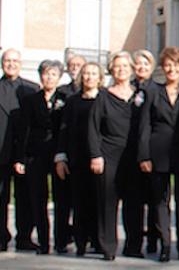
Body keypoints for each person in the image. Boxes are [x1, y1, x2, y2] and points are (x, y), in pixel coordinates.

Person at [137, 47, 179, 262]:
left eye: (175, 65)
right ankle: (165, 245)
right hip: (157, 152)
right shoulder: (153, 92)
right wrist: (144, 156)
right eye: (167, 65)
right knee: (160, 201)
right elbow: (145, 127)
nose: (171, 69)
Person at [87, 51, 137, 261]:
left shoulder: (139, 94)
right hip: (109, 154)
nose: (121, 70)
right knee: (108, 202)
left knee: (133, 202)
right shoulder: (103, 96)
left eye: (125, 66)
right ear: (111, 70)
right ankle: (108, 246)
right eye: (117, 66)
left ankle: (133, 245)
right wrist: (95, 155)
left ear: (131, 69)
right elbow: (93, 128)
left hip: (134, 155)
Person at [13, 60, 67, 254]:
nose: (49, 77)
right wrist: (20, 158)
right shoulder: (30, 100)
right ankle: (44, 243)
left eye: (53, 74)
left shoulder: (65, 98)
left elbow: (66, 128)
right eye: (45, 74)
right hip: (35, 155)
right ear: (40, 76)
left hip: (58, 155)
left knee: (61, 199)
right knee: (38, 198)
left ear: (59, 77)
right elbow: (24, 131)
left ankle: (61, 241)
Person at [55, 62, 103, 256]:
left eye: (93, 73)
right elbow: (64, 129)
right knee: (79, 202)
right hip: (77, 157)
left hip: (99, 157)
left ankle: (98, 241)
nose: (89, 77)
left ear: (100, 78)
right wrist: (61, 157)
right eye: (86, 74)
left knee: (99, 202)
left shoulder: (105, 99)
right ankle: (81, 242)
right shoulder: (73, 101)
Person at [0, 49, 39, 252]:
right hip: (0, 152)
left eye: (15, 60)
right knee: (0, 197)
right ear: (2, 63)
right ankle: (0, 237)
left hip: (23, 152)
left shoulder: (32, 89)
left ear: (20, 63)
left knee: (24, 198)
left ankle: (24, 236)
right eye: (7, 60)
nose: (11, 64)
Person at [131, 49, 154, 255]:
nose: (142, 68)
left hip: (150, 150)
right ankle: (134, 242)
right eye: (138, 64)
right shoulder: (127, 88)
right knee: (134, 200)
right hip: (128, 150)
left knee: (154, 199)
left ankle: (154, 241)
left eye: (146, 64)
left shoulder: (156, 88)